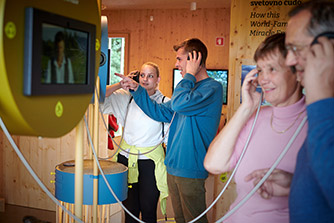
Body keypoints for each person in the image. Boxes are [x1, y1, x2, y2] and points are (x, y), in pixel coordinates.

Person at [204, 33, 308, 223]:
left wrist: (296, 185)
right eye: (260, 70)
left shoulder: (318, 122)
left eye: (272, 69)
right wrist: (246, 108)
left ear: (298, 72)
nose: (264, 79)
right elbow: (214, 165)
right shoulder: (256, 117)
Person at [117, 38, 223, 223]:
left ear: (194, 60)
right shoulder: (188, 89)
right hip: (172, 166)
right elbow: (159, 112)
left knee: (194, 220)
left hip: (190, 167)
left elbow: (181, 103)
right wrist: (137, 90)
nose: (176, 64)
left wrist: (188, 75)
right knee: (180, 219)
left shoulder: (212, 88)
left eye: (180, 59)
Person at [283, 1, 334, 222]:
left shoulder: (323, 107)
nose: (289, 60)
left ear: (328, 46)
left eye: (296, 49)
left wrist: (320, 96)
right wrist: (296, 182)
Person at [102, 62, 169, 223]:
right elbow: (99, 95)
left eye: (150, 76)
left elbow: (170, 136)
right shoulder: (128, 98)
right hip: (126, 159)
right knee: (130, 211)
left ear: (158, 79)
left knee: (148, 210)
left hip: (150, 162)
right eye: (143, 75)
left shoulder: (166, 102)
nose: (145, 79)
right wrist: (120, 84)